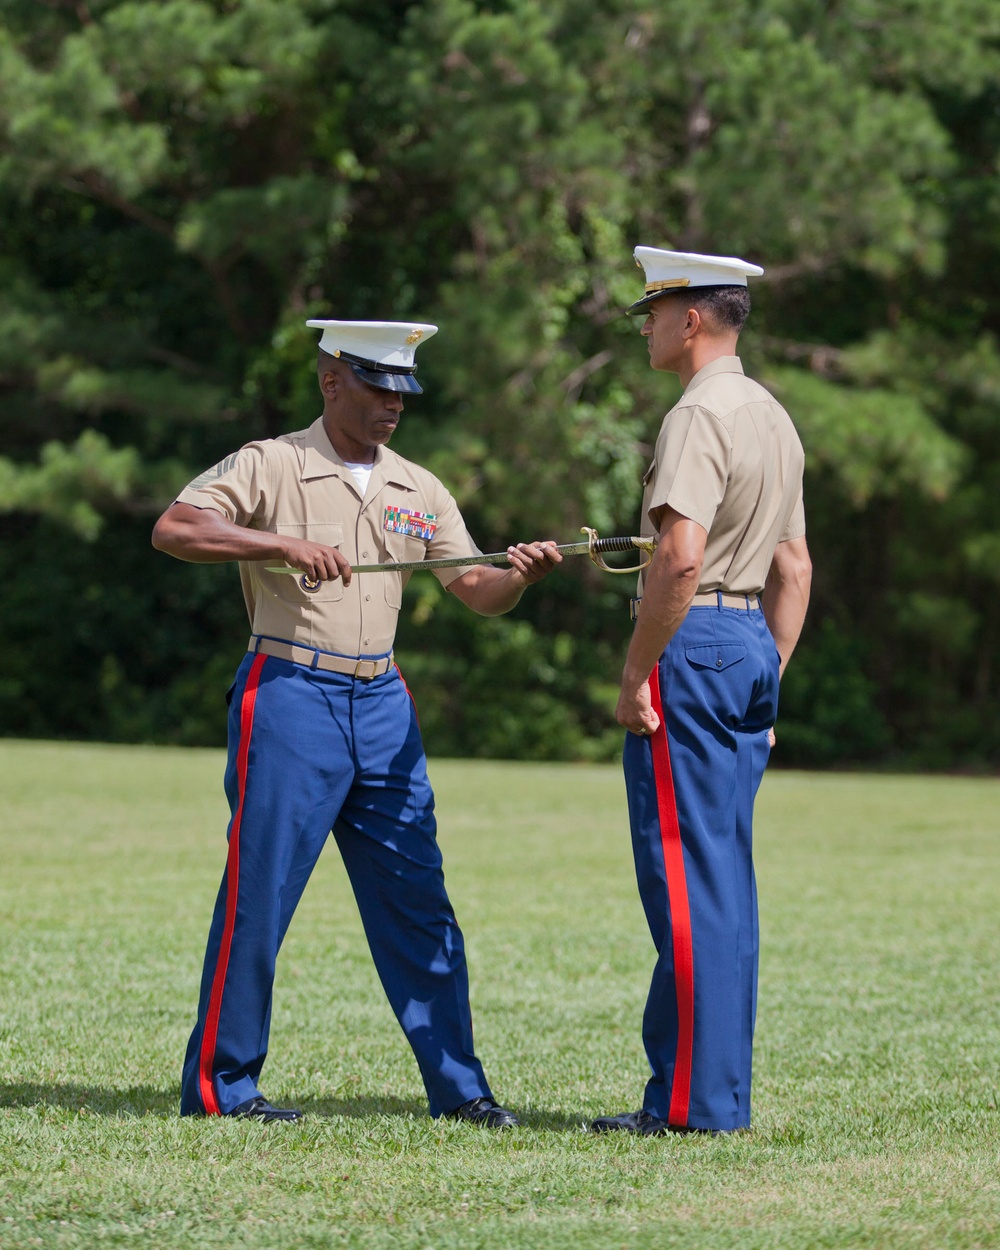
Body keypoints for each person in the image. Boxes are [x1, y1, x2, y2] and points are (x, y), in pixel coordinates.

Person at [152, 318, 562, 1126]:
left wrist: (518, 578)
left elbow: (474, 589)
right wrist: (276, 543)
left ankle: (462, 1092)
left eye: (403, 391)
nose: (393, 405)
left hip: (382, 704)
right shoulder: (274, 462)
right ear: (330, 379)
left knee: (420, 901)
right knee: (259, 895)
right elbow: (175, 528)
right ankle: (222, 1088)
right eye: (377, 387)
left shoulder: (419, 487)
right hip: (291, 692)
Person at [591, 249, 812, 1136]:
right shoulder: (773, 416)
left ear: (691, 320)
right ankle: (700, 1095)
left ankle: (694, 1108)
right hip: (749, 635)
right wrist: (767, 679)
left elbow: (679, 559)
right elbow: (795, 567)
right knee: (720, 882)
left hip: (697, 637)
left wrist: (639, 668)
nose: (644, 324)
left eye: (653, 309)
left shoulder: (695, 416)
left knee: (687, 882)